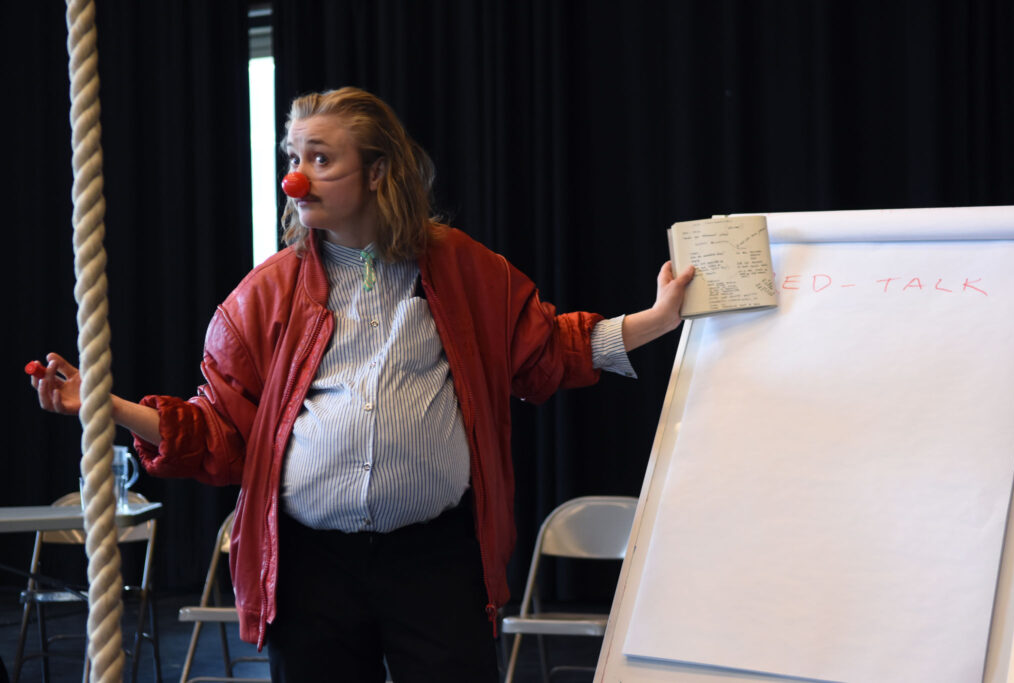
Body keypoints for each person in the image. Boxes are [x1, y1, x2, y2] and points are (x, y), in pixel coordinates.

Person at [31, 86, 694, 682]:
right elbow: (220, 430)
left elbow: (549, 350)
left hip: (437, 560)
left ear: (378, 172)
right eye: (294, 157)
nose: (296, 178)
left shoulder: (465, 269)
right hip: (311, 568)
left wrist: (657, 319)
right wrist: (105, 405)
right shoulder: (265, 295)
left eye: (321, 159)